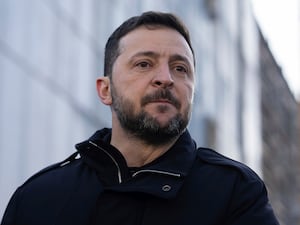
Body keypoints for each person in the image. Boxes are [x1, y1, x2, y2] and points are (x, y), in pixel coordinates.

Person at [1, 11, 279, 225]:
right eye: (144, 64)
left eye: (180, 68)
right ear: (106, 89)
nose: (165, 79)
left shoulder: (234, 193)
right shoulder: (39, 198)